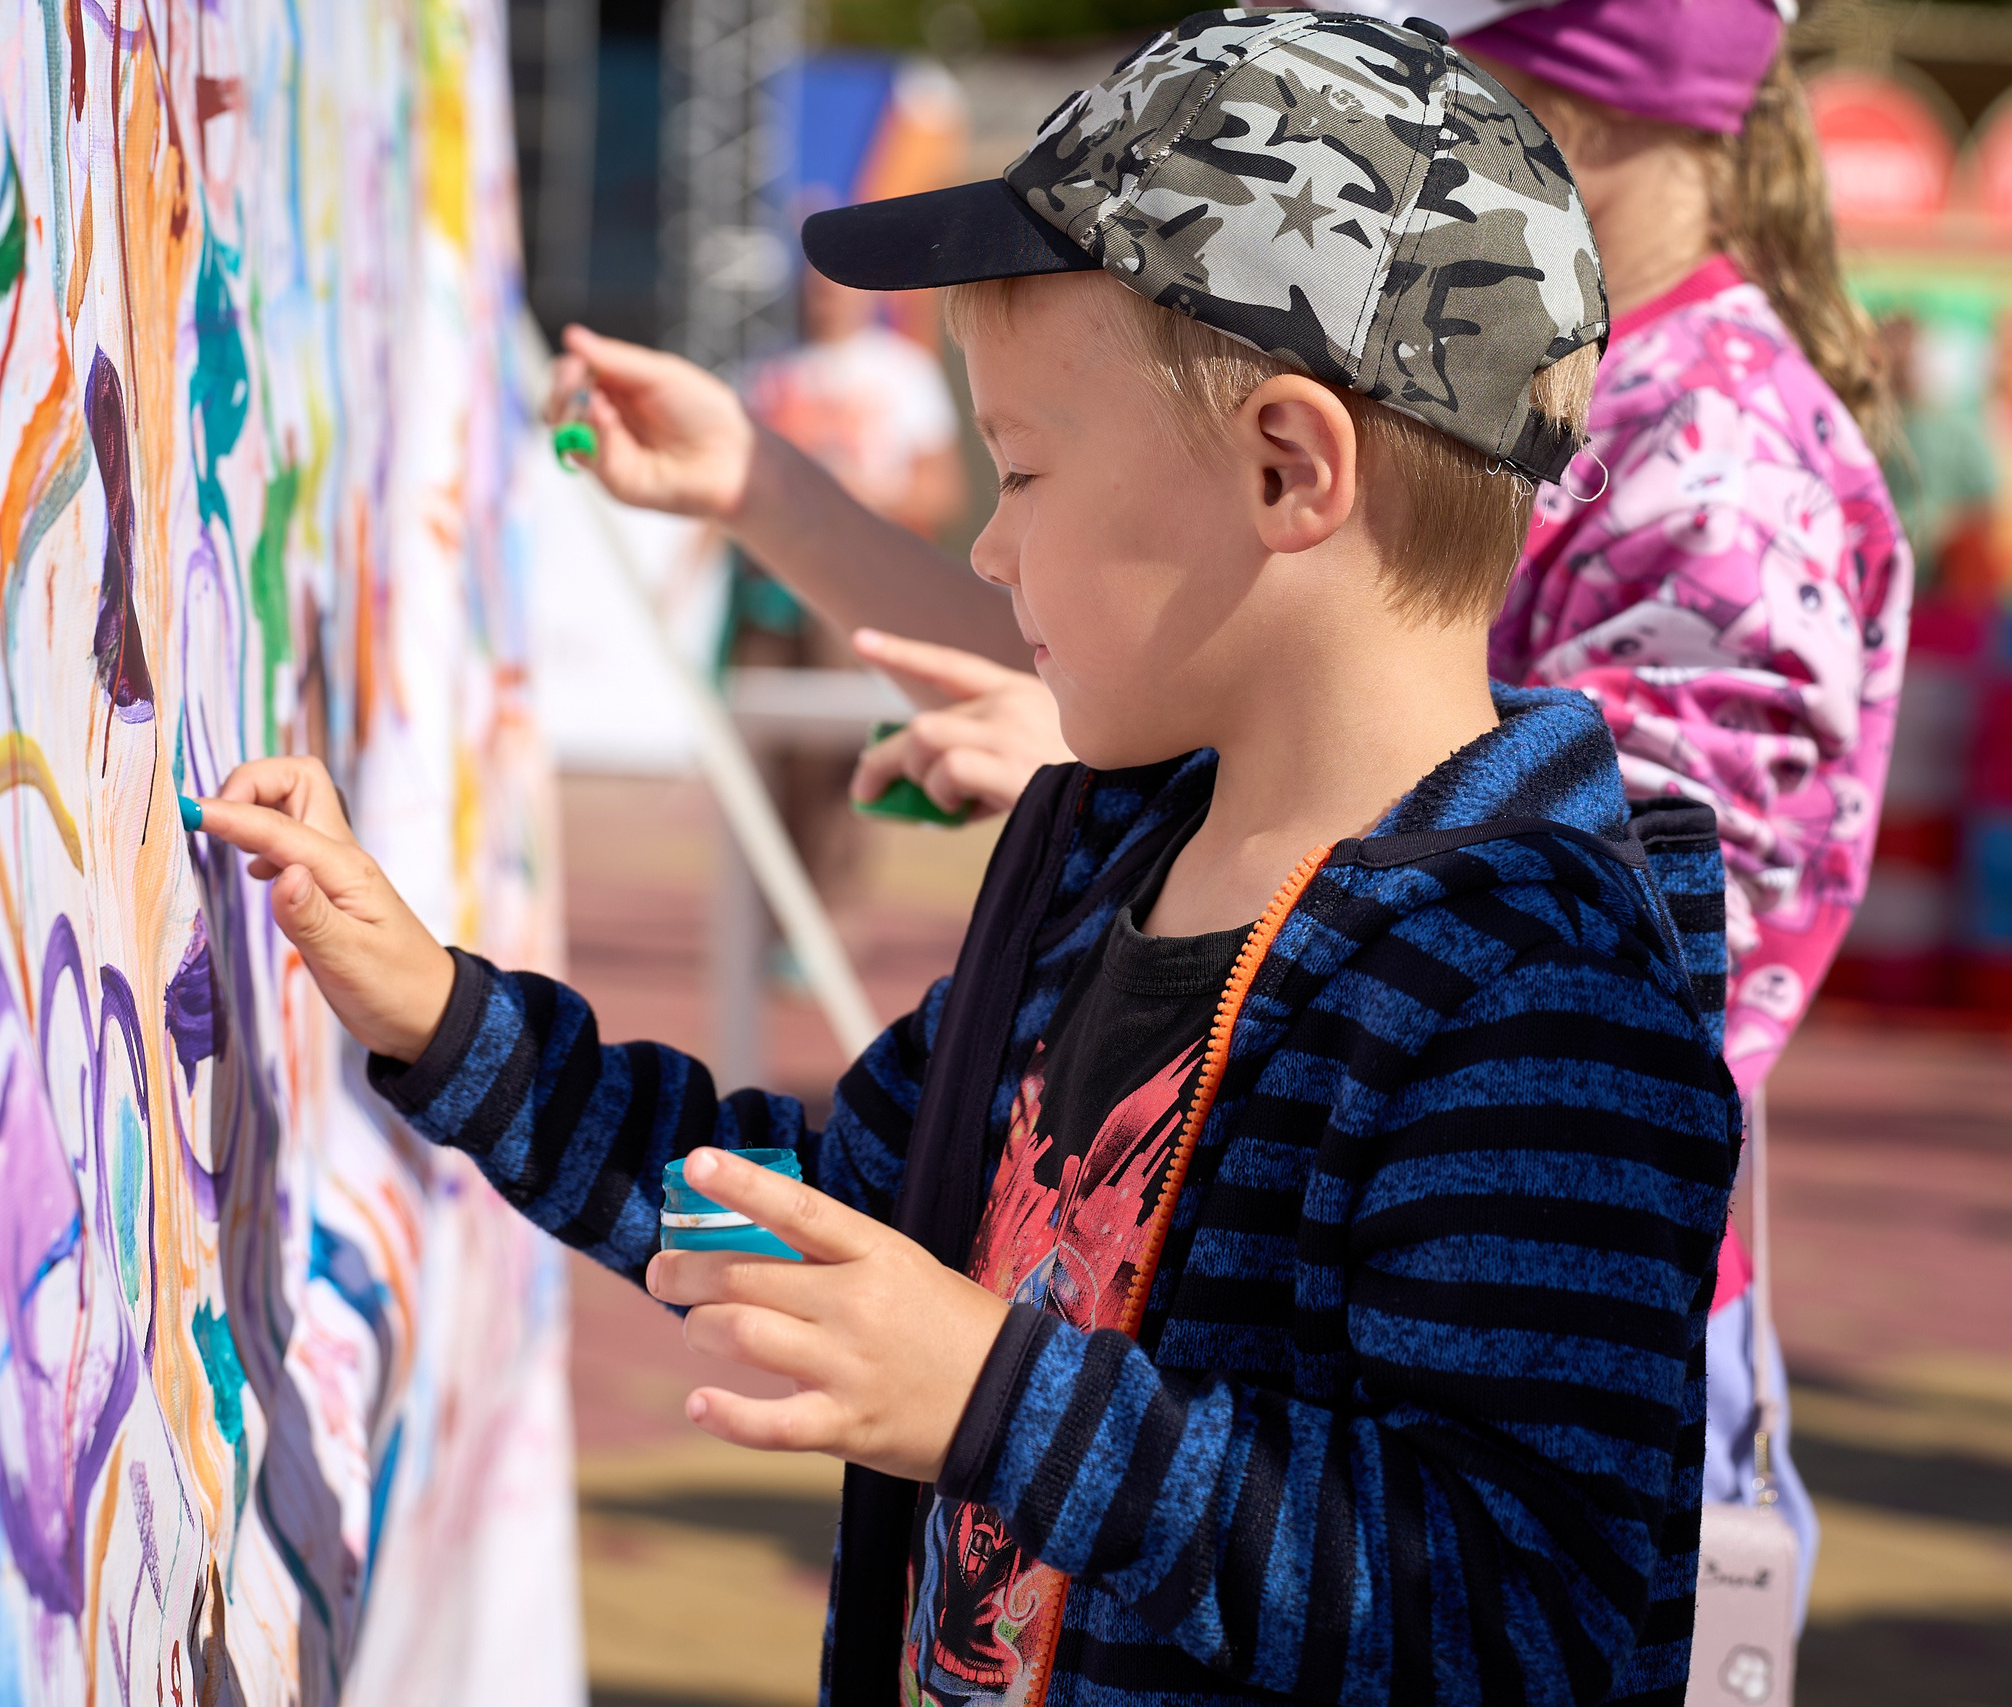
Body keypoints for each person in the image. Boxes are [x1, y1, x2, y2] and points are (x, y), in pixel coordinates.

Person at [195, 17, 1741, 1704]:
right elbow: (829, 1208)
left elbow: (1520, 1610)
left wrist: (1000, 1404)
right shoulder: (1101, 866)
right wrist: (447, 1021)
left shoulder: (1535, 992)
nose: (990, 548)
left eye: (1023, 470)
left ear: (1290, 467)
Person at [560, 0, 1907, 1610]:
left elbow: (1660, 937)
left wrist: (1005, 1399)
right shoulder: (1163, 817)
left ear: (1579, 119)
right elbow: (1145, 600)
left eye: (1445, 79)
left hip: (1514, 1296)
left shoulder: (1721, 473)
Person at [729, 267, 969, 898]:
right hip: (770, 594)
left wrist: (866, 493)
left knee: (838, 754)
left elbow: (943, 491)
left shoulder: (902, 373)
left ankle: (830, 912)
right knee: (761, 753)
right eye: (812, 284)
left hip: (851, 588)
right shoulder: (769, 371)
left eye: (835, 283)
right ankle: (771, 914)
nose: (824, 297)